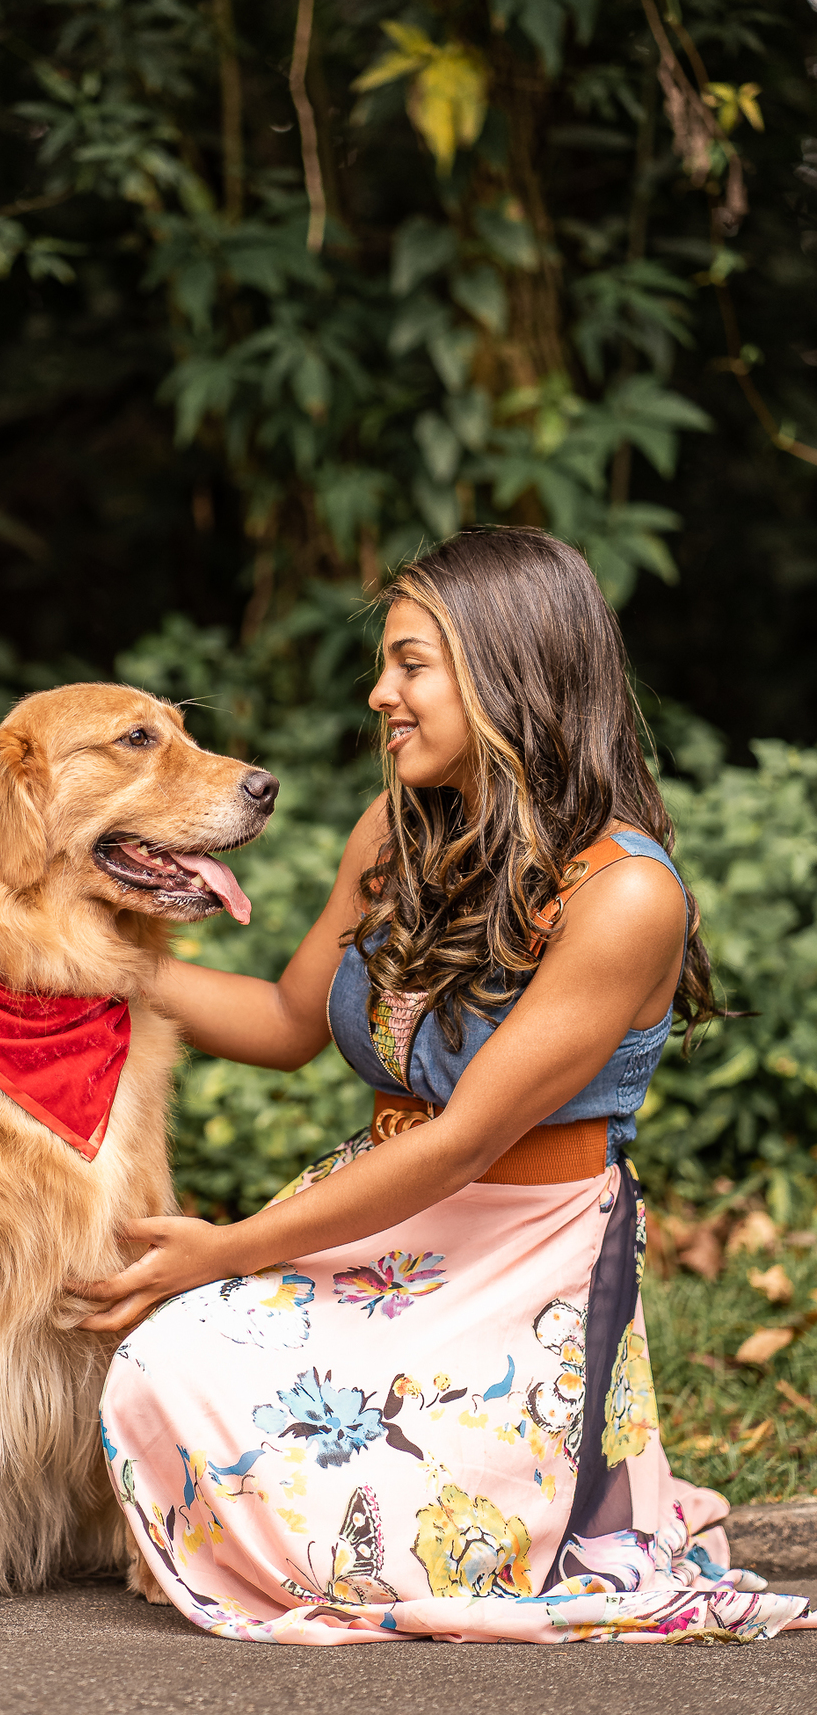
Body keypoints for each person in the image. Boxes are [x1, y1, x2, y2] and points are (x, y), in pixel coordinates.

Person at [82, 529, 810, 1645]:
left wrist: (231, 1244)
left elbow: (465, 1140)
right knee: (168, 1363)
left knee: (367, 1502)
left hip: (526, 1252)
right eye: (388, 666)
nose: (381, 695)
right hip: (386, 1220)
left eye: (411, 665)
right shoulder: (394, 833)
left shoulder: (624, 897)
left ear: (508, 670)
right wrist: (94, 962)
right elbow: (285, 1022)